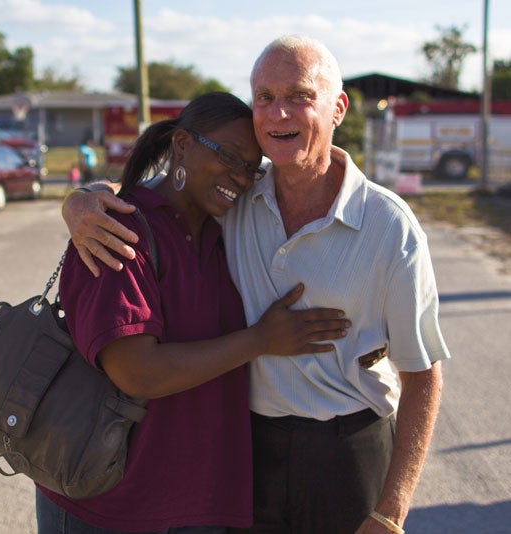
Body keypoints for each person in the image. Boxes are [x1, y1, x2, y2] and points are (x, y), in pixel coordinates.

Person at [62, 36, 451, 534]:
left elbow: (423, 373)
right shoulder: (237, 196)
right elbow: (164, 189)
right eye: (264, 97)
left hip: (349, 453)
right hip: (248, 452)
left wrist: (392, 511)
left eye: (299, 96)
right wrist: (83, 199)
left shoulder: (388, 226)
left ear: (338, 108)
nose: (278, 113)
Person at [39, 91, 351, 534]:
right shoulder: (118, 231)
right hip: (112, 504)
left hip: (202, 502)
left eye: (251, 167)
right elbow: (138, 371)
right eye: (229, 156)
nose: (240, 178)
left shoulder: (227, 231)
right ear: (182, 145)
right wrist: (262, 340)